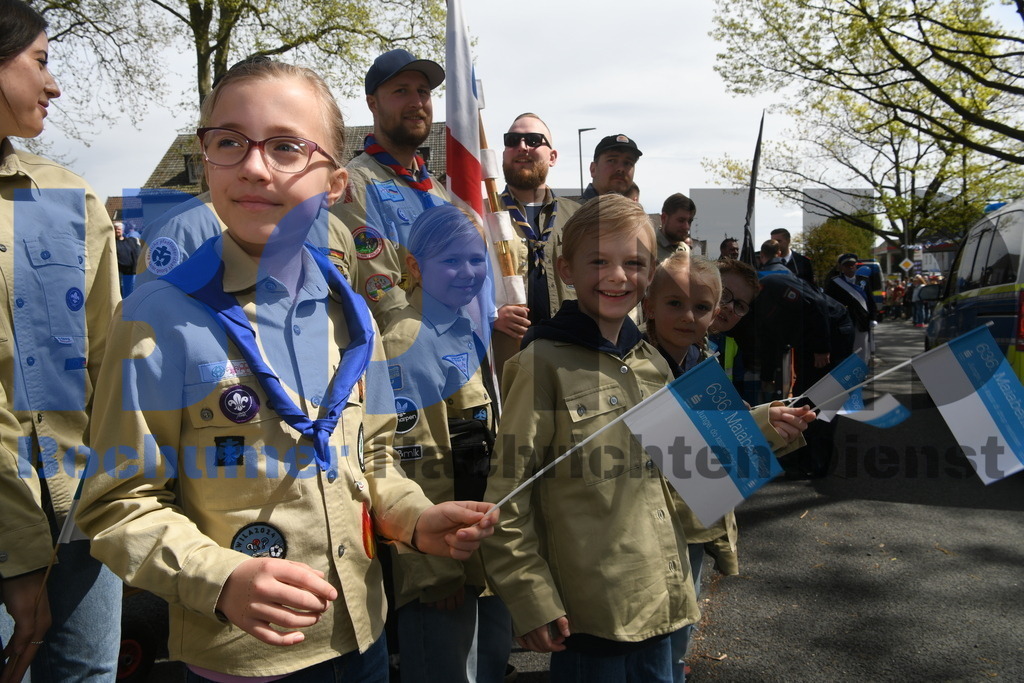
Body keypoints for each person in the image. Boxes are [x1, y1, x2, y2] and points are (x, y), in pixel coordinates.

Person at [75, 58, 496, 682]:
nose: (252, 166)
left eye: (285, 147)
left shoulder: (351, 314)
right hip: (243, 660)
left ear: (334, 183)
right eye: (229, 142)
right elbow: (118, 504)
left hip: (363, 637)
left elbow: (373, 456)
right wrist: (222, 578)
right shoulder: (157, 320)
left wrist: (415, 518)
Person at [481, 195, 696, 682]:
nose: (617, 276)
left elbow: (686, 461)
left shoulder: (651, 361)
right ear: (565, 269)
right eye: (598, 261)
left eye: (634, 263)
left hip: (661, 593)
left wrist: (772, 425)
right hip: (593, 610)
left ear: (650, 272)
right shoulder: (541, 364)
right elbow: (507, 497)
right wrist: (530, 597)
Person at [0, 2, 123, 680]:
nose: (55, 85)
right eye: (41, 62)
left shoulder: (65, 195)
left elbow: (109, 365)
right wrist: (16, 556)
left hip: (79, 508)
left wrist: (121, 492)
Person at [643, 253, 812, 681]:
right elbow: (669, 438)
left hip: (699, 508)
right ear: (650, 303)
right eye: (678, 303)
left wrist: (771, 423)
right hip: (655, 516)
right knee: (651, 628)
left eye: (730, 306)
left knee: (682, 619)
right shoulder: (639, 361)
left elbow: (727, 434)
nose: (719, 312)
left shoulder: (707, 357)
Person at [381, 205, 510, 683]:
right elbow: (412, 463)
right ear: (414, 267)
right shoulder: (407, 341)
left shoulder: (456, 327)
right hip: (442, 560)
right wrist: (431, 571)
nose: (469, 272)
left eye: (477, 259)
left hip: (475, 548)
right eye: (451, 260)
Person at [331, 49, 449, 329]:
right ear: (373, 103)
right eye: (401, 91)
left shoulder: (437, 191)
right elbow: (380, 296)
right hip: (407, 354)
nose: (417, 102)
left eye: (423, 91)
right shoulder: (356, 185)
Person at [493, 113, 580, 376]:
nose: (522, 147)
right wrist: (490, 313)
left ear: (552, 157)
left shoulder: (579, 218)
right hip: (507, 361)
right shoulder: (479, 215)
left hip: (570, 358)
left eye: (533, 140)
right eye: (512, 140)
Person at [825, 253, 876, 364]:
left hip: (861, 320)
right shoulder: (835, 282)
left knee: (862, 347)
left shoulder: (864, 281)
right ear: (842, 267)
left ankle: (862, 372)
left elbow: (870, 301)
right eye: (847, 265)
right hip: (844, 321)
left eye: (852, 265)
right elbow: (829, 302)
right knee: (846, 349)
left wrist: (873, 318)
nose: (850, 267)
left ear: (856, 266)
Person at [580, 134, 641, 201]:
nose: (621, 169)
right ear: (593, 169)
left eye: (627, 163)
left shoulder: (631, 211)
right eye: (612, 161)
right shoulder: (572, 210)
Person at [655, 193, 695, 262]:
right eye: (681, 220)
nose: (686, 227)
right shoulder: (647, 247)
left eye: (689, 221)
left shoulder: (686, 250)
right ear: (664, 218)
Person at [114, 220, 141, 296]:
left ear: (122, 230)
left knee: (133, 291)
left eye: (118, 229)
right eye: (115, 229)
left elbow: (136, 254)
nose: (117, 231)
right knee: (123, 292)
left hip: (132, 272)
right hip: (120, 273)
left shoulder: (130, 241)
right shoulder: (112, 243)